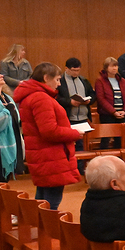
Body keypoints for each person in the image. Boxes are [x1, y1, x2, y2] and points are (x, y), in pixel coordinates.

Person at [14, 63, 82, 209]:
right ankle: (45, 224)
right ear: (46, 78)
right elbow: (49, 131)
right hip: (50, 155)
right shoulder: (41, 98)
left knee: (43, 197)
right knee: (51, 201)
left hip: (43, 154)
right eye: (57, 79)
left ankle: (38, 223)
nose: (59, 84)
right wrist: (75, 133)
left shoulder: (33, 95)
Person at [57, 58, 96, 174]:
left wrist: (89, 101)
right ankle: (68, 168)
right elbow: (56, 97)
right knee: (68, 145)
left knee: (81, 145)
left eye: (78, 70)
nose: (76, 73)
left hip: (83, 117)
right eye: (73, 70)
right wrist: (70, 102)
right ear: (66, 69)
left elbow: (93, 94)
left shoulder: (83, 80)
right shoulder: (61, 81)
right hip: (68, 118)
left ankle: (80, 169)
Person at [94, 57, 125, 150]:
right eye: (112, 66)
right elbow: (101, 99)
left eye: (116, 66)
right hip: (107, 115)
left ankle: (119, 157)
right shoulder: (100, 81)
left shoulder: (122, 80)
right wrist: (113, 112)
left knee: (120, 140)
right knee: (106, 139)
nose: (114, 68)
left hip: (121, 114)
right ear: (106, 68)